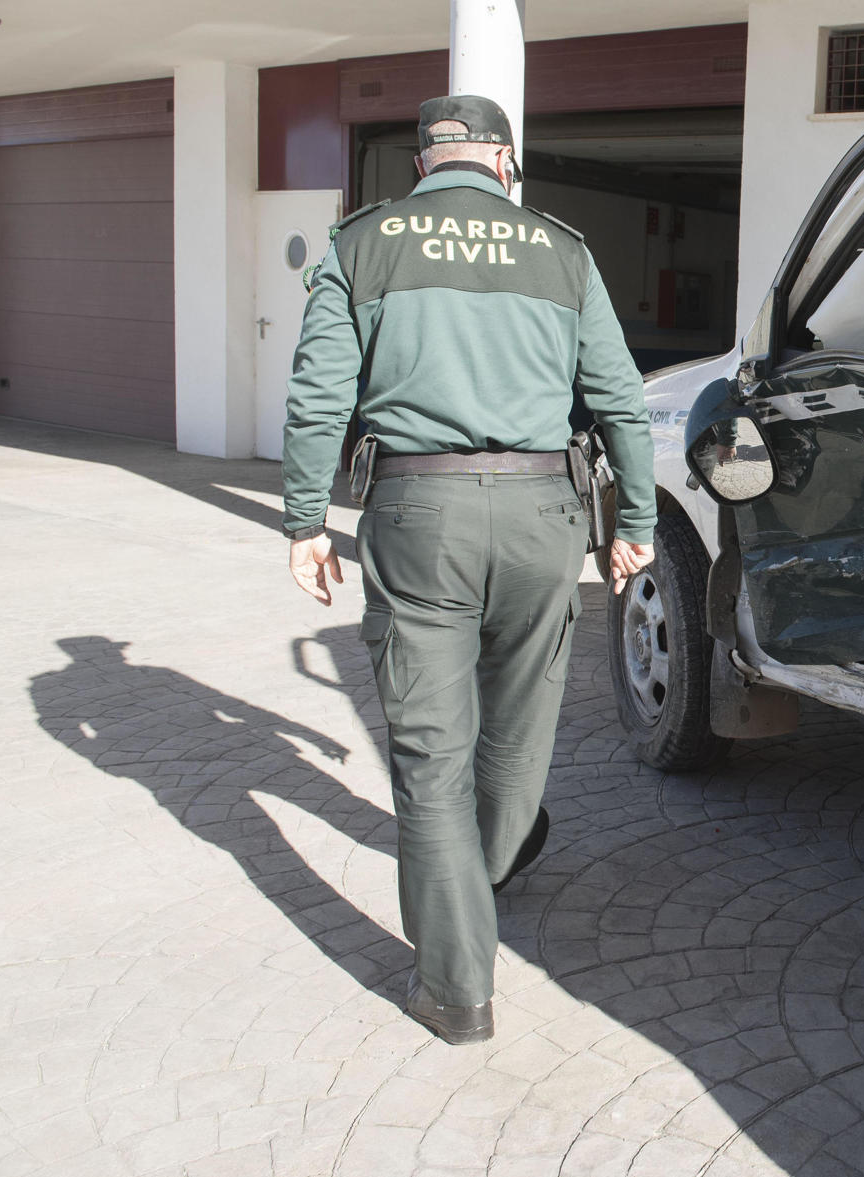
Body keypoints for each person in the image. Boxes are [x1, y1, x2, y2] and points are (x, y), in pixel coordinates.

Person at [279, 94, 655, 1044]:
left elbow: (319, 394)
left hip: (419, 517)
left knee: (430, 753)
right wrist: (636, 523)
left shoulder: (363, 244)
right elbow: (620, 398)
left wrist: (305, 520)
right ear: (504, 162)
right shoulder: (561, 250)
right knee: (523, 726)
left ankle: (456, 989)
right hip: (544, 514)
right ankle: (489, 866)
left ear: (422, 165)